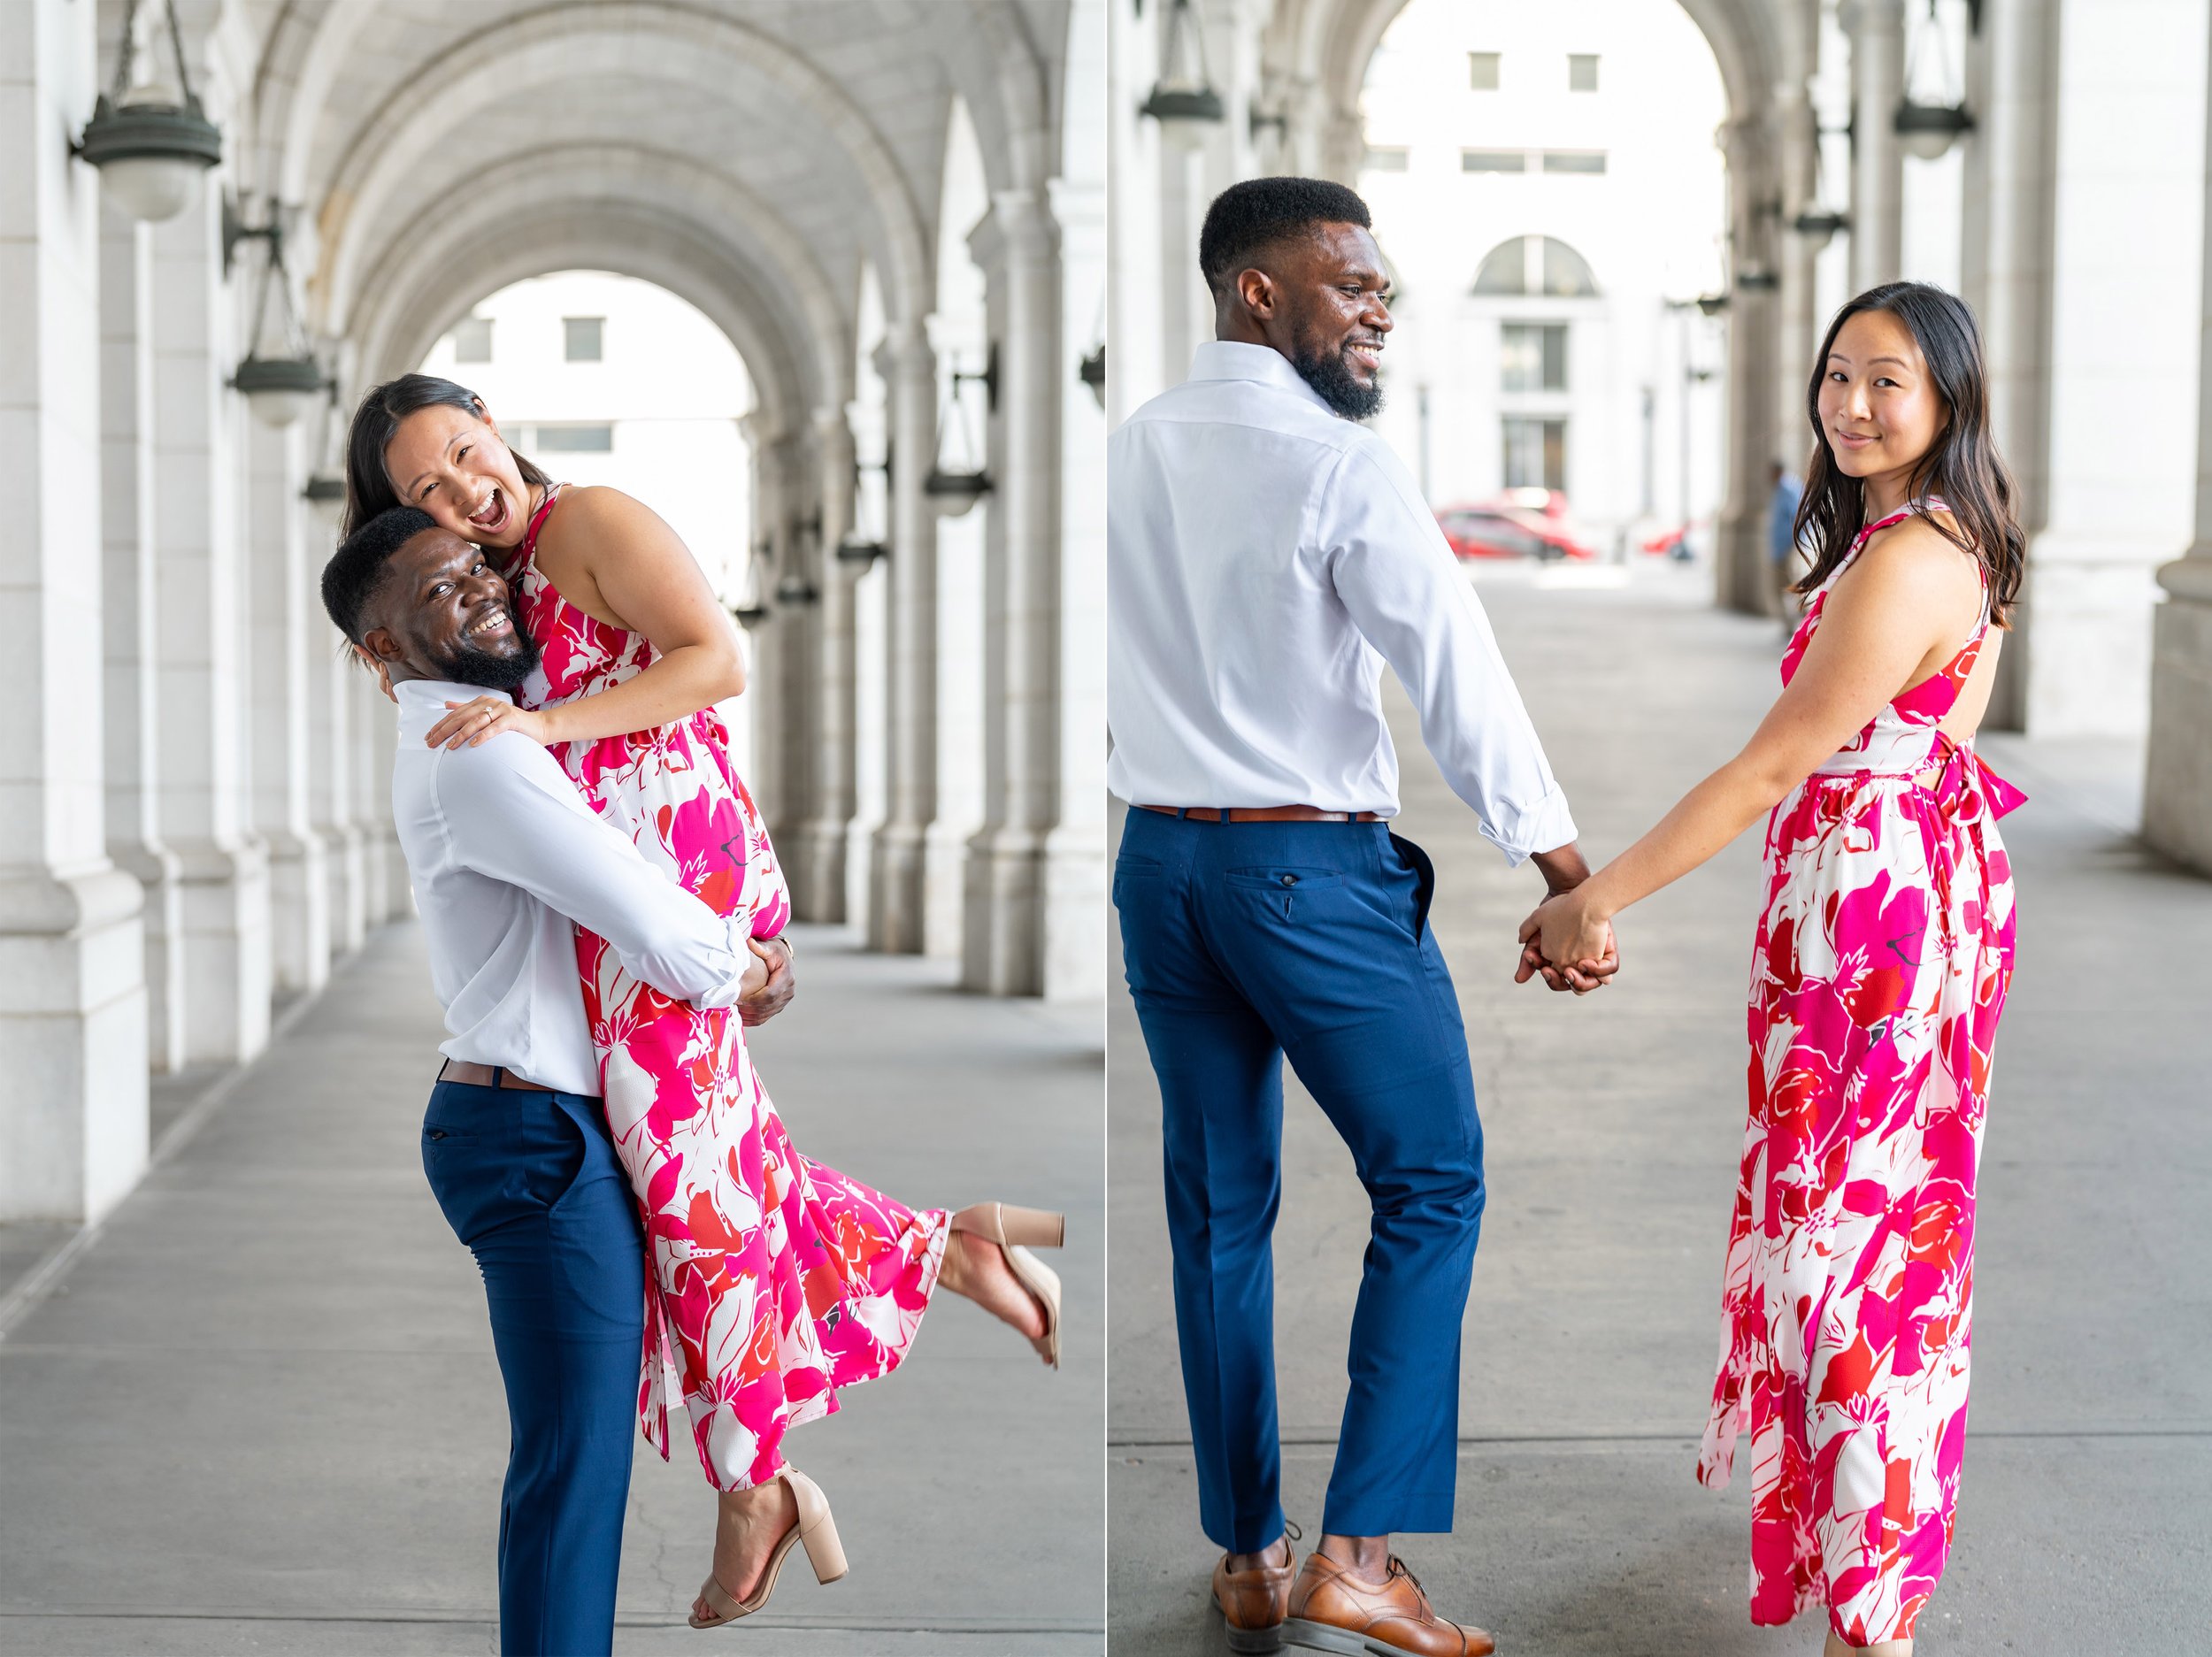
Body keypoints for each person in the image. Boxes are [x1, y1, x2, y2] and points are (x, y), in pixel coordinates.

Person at [321, 505, 1066, 1652]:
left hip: (535, 1119)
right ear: (379, 652)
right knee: (572, 1479)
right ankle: (774, 1460)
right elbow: (656, 929)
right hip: (534, 1136)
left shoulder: (498, 724)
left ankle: (812, 1414)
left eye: (476, 568)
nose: (477, 590)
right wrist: (752, 961)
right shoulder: (479, 755)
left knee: (739, 1203)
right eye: (433, 593)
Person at [1109, 175, 1617, 1657]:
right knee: (1434, 1178)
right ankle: (1361, 1550)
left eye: (1385, 286)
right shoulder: (1338, 461)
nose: (1381, 306)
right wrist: (1566, 873)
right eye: (1353, 283)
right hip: (1304, 876)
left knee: (1218, 1210)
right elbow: (1455, 671)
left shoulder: (1130, 447)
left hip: (1162, 872)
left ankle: (1252, 1552)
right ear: (1257, 292)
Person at [1518, 281, 2025, 1656]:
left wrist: (1594, 897)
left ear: (1948, 403)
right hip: (1886, 895)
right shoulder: (1922, 538)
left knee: (1846, 1242)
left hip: (1873, 921)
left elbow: (1774, 763)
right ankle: (1868, 1542)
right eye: (1838, 376)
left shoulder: (1913, 559)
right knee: (1868, 1223)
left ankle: (1874, 1595)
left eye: (1889, 384)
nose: (1853, 406)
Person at [1770, 459, 1807, 633]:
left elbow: (1799, 518)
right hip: (1782, 547)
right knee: (1787, 587)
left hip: (1788, 548)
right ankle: (1791, 625)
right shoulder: (1783, 489)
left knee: (1792, 587)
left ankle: (1800, 624)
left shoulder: (1788, 490)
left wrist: (1795, 546)